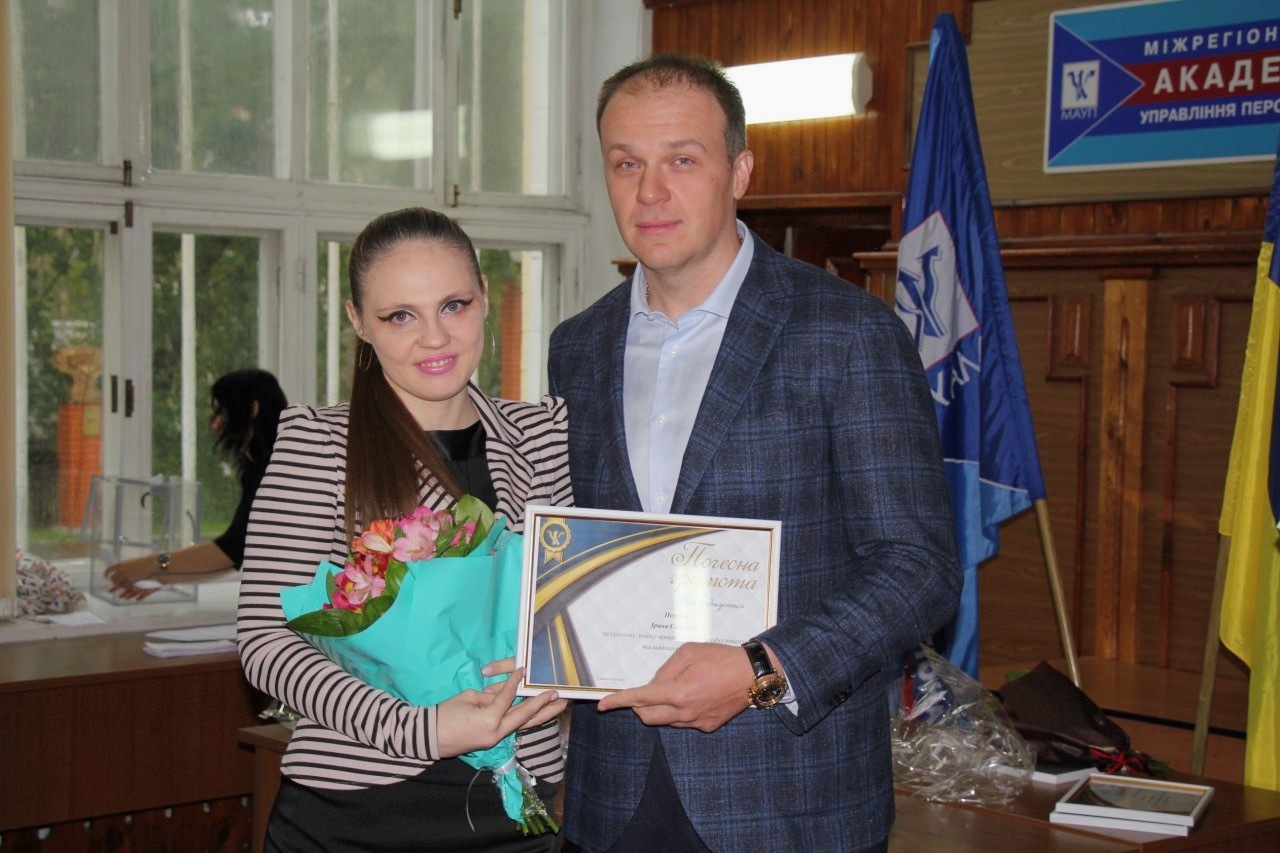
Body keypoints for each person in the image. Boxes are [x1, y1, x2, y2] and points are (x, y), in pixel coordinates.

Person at [548, 54, 963, 852]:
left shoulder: (849, 332)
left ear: (740, 171)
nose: (650, 191)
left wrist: (761, 670)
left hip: (790, 801)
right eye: (626, 164)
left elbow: (920, 568)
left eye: (681, 160)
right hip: (611, 794)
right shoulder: (577, 346)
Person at [237, 207, 572, 852]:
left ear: (483, 299)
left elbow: (570, 610)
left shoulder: (542, 436)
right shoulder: (317, 444)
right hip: (356, 813)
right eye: (400, 316)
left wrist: (560, 669)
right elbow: (266, 644)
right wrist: (422, 729)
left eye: (453, 305)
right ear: (359, 322)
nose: (435, 338)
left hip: (517, 807)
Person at [104, 369, 287, 599]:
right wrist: (158, 576)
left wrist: (151, 565)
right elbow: (237, 553)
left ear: (253, 408)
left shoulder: (278, 469)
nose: (215, 424)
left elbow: (231, 551)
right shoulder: (262, 466)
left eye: (223, 412)